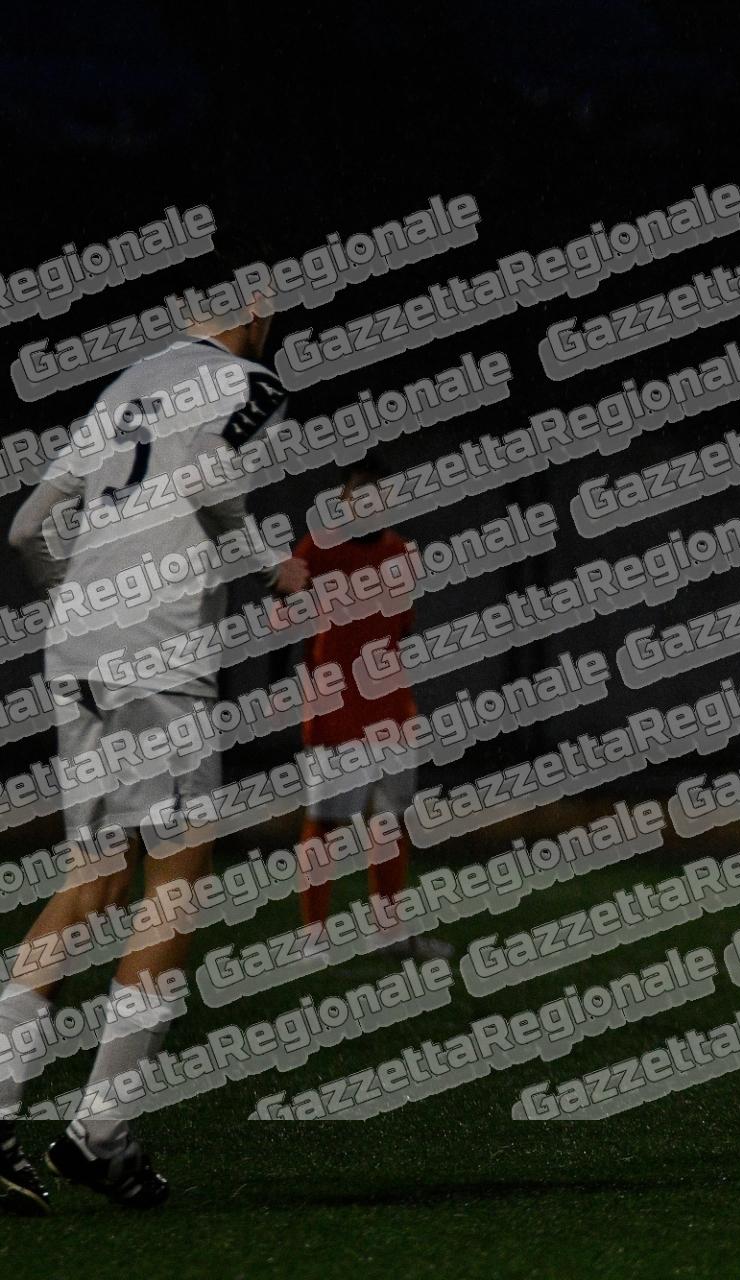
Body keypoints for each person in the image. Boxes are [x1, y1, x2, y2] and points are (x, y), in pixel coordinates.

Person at [0, 275, 304, 1211]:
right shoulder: (248, 381)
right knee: (174, 879)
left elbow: (25, 528)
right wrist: (274, 566)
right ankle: (101, 1133)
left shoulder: (123, 385)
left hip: (77, 646)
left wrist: (76, 599)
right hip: (158, 651)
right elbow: (208, 476)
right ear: (255, 312)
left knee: (89, 879)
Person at [283, 456, 450, 962]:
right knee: (325, 822)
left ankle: (388, 932)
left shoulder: (401, 553)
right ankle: (314, 937)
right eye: (358, 492)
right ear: (343, 500)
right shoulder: (318, 548)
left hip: (392, 710)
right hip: (334, 710)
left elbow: (402, 626)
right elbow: (285, 609)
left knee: (391, 821)